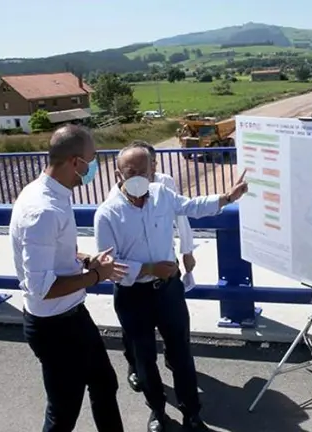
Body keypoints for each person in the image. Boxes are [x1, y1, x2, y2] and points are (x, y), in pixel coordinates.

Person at [94, 146, 249, 432]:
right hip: (133, 296)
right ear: (119, 174)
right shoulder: (107, 213)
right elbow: (109, 265)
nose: (138, 177)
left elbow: (191, 207)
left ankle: (192, 414)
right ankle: (157, 411)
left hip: (168, 291)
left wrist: (226, 198)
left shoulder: (163, 196)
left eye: (144, 171)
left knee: (181, 354)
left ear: (153, 171)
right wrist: (149, 269)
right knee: (145, 358)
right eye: (131, 172)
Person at [10, 124, 129, 432]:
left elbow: (58, 255)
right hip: (55, 326)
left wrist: (86, 259)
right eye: (92, 159)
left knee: (104, 382)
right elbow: (41, 288)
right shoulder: (43, 209)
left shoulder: (51, 193)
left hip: (72, 316)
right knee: (63, 412)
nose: (95, 167)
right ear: (76, 162)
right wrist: (95, 276)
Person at [106, 140, 197, 393]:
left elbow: (182, 214)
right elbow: (112, 256)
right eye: (136, 169)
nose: (149, 171)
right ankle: (135, 367)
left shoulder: (164, 183)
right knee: (137, 340)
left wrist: (187, 251)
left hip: (167, 272)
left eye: (151, 165)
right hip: (135, 285)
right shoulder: (116, 197)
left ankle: (174, 362)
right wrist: (145, 268)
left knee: (176, 332)